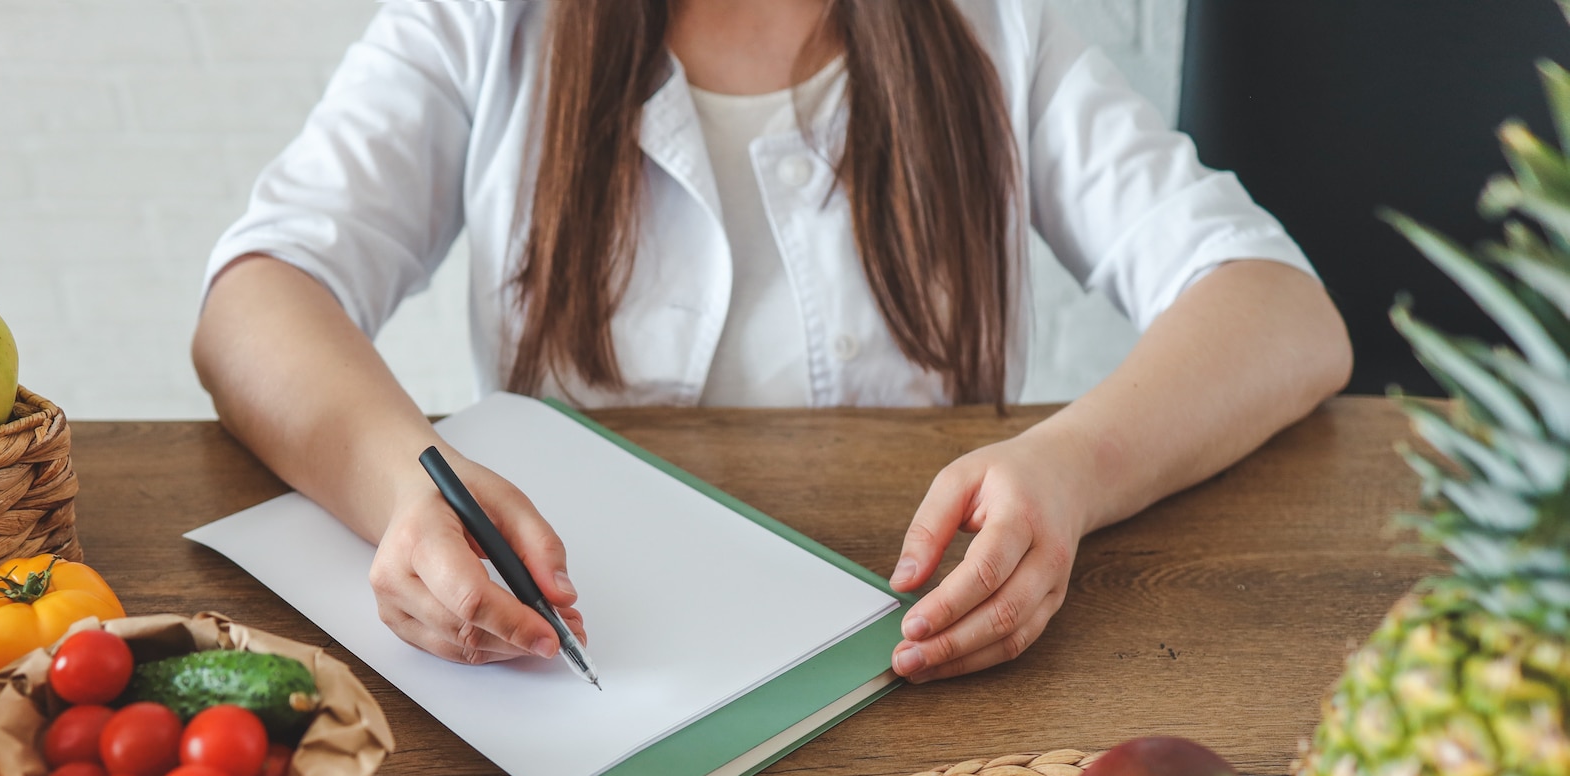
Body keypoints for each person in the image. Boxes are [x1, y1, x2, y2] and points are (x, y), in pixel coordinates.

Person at [192, 0, 1351, 683]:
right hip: (586, 658)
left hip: (916, 666)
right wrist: (405, 484)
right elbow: (258, 295)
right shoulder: (486, 24)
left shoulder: (997, 27)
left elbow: (1277, 308)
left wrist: (1070, 467)